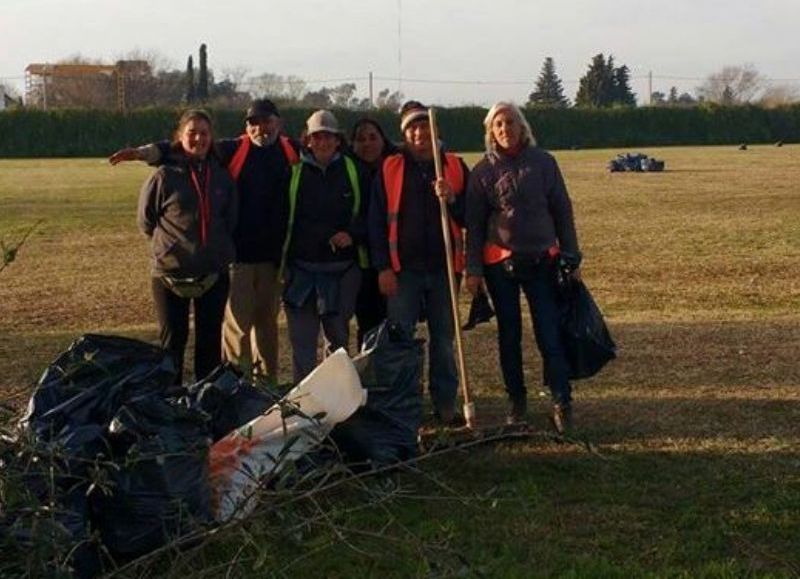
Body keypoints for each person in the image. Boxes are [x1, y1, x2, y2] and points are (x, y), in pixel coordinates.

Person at [110, 99, 299, 385]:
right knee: (230, 330)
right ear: (246, 127)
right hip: (233, 260)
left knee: (261, 328)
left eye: (267, 121)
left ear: (279, 123)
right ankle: (233, 386)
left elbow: (328, 147)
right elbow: (148, 217)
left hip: (269, 259)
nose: (261, 127)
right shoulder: (231, 150)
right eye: (254, 122)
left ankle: (263, 388)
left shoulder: (289, 150)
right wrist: (142, 153)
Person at [465, 101, 582, 432]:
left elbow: (562, 209)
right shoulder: (482, 171)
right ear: (490, 131)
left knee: (549, 333)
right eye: (498, 124)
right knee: (509, 336)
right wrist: (473, 269)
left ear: (523, 127)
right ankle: (516, 402)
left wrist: (571, 254)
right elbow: (473, 225)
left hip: (542, 262)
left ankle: (561, 401)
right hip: (501, 265)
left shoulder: (544, 163)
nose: (505, 129)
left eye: (511, 123)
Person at [368, 101, 470, 425]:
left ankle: (445, 405)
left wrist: (452, 198)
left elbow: (470, 216)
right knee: (400, 342)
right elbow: (376, 223)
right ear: (405, 134)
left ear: (435, 130)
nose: (419, 133)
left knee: (443, 341)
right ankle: (403, 407)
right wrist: (383, 266)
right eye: (413, 128)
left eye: (425, 126)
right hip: (403, 271)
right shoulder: (391, 167)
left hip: (443, 269)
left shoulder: (454, 166)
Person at [136, 109, 238, 384]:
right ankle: (169, 408)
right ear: (180, 138)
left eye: (204, 133)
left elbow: (231, 219)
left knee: (209, 346)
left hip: (213, 275)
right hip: (170, 276)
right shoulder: (164, 176)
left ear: (211, 137)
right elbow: (146, 221)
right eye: (191, 133)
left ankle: (205, 407)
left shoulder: (222, 176)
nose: (198, 138)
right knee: (172, 346)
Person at [281, 110, 368, 383]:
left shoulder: (354, 170)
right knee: (303, 345)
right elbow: (282, 216)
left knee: (339, 342)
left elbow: (368, 213)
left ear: (338, 140)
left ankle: (337, 402)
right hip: (301, 272)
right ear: (307, 140)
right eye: (317, 137)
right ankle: (303, 406)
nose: (323, 142)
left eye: (328, 136)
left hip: (342, 271)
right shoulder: (293, 172)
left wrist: (351, 234)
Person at [348, 118, 398, 346]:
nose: (367, 144)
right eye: (360, 139)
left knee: (396, 323)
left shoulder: (396, 167)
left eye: (372, 137)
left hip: (396, 258)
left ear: (383, 139)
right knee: (368, 325)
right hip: (362, 261)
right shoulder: (348, 171)